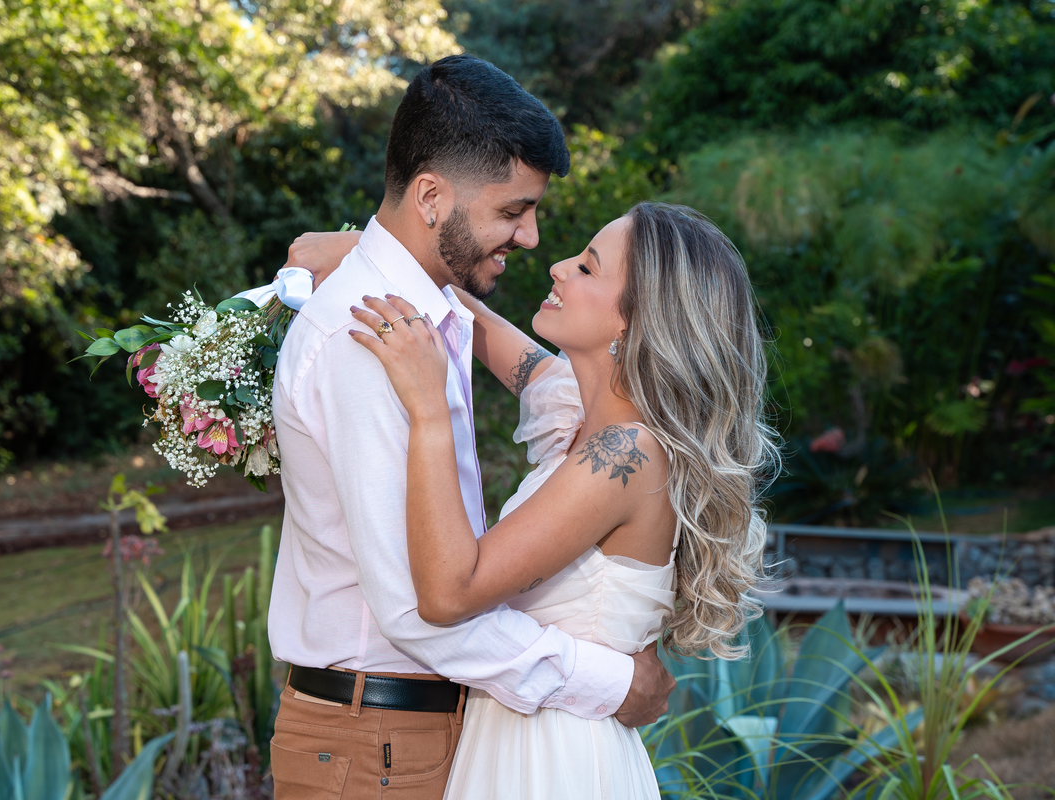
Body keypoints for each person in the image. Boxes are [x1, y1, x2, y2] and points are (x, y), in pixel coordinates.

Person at [265, 54, 676, 800]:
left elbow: (538, 373)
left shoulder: (427, 316)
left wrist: (361, 247)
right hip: (375, 742)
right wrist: (610, 681)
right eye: (513, 211)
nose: (532, 241)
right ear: (430, 197)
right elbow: (418, 612)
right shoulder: (375, 338)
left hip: (418, 736)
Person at [334, 202, 777, 798]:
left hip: (553, 763)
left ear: (634, 320)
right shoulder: (590, 418)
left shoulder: (625, 455)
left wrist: (429, 409)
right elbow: (498, 338)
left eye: (588, 269)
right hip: (528, 740)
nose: (558, 267)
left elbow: (447, 593)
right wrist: (370, 260)